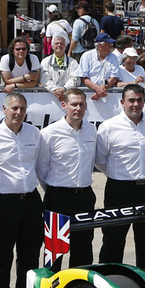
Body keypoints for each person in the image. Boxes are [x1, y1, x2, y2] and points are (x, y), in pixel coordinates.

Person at [0, 92, 43, 288]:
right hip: (3, 202)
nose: (18, 113)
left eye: (22, 109)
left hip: (30, 201)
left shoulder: (34, 134)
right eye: (14, 108)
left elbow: (40, 165)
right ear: (4, 109)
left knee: (29, 254)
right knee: (1, 255)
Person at [95, 84, 145, 274]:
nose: (135, 104)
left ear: (144, 101)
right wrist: (119, 176)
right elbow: (100, 160)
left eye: (139, 100)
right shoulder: (109, 127)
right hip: (119, 191)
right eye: (131, 100)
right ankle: (109, 280)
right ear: (122, 102)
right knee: (113, 240)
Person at [38, 88, 98, 266]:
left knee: (83, 249)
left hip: (85, 198)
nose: (78, 108)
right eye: (73, 104)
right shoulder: (49, 133)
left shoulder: (91, 131)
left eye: (81, 104)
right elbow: (41, 168)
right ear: (64, 105)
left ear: (86, 106)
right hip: (58, 199)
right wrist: (55, 190)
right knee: (55, 250)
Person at [79, 32, 121, 99]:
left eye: (111, 44)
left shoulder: (114, 57)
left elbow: (114, 77)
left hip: (107, 94)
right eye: (108, 45)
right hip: (88, 94)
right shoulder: (86, 56)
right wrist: (97, 89)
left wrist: (101, 89)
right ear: (99, 46)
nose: (111, 47)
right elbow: (84, 78)